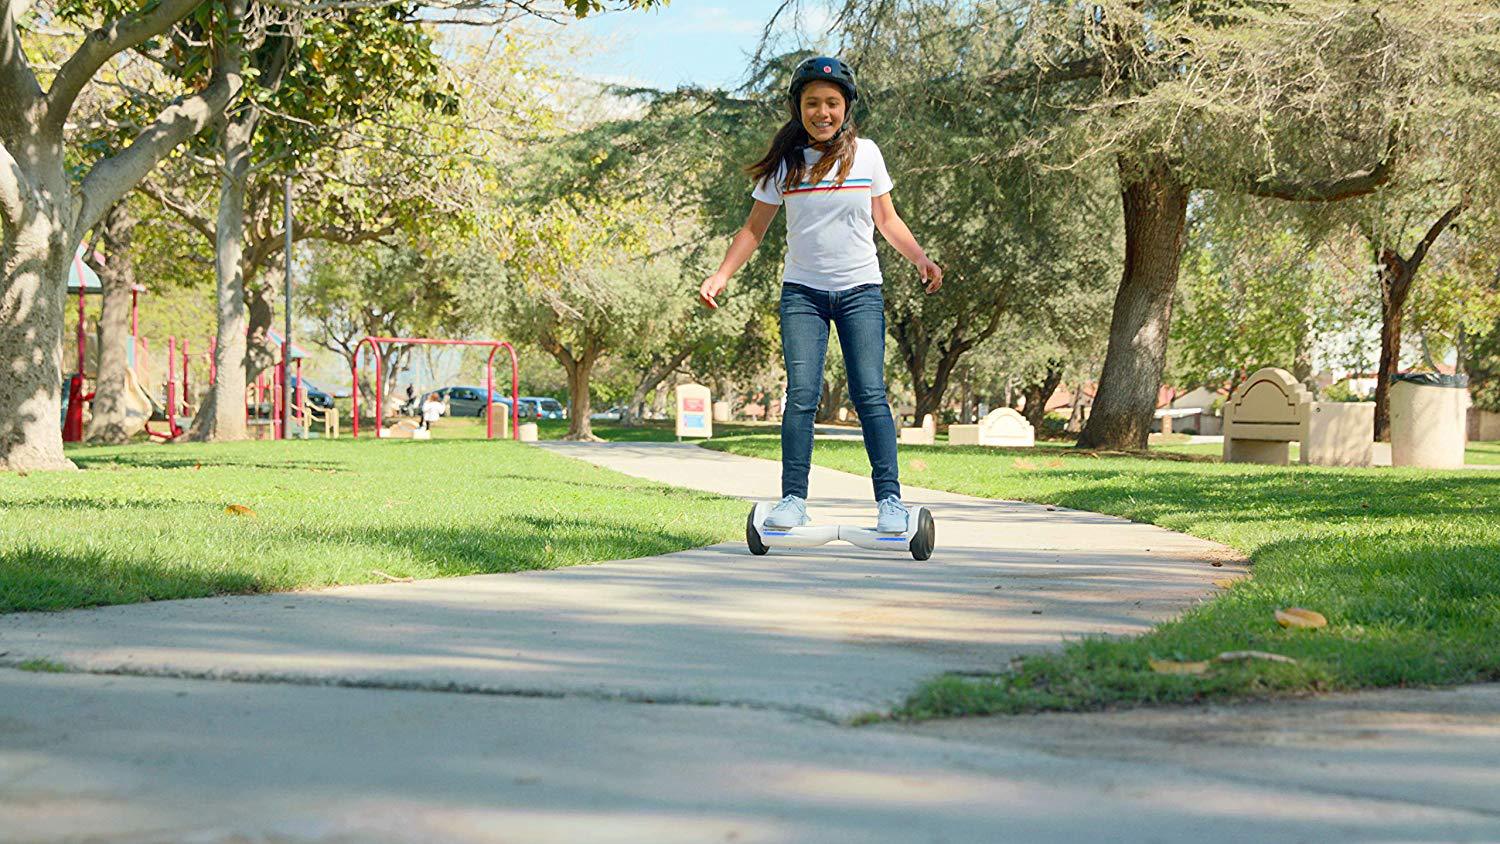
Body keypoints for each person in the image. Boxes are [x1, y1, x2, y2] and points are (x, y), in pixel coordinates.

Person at [698, 56, 942, 533]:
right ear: (799, 107)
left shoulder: (867, 155)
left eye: (832, 102)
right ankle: (792, 498)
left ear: (846, 106)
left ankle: (890, 502)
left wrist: (920, 258)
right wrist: (722, 274)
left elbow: (886, 220)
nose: (822, 112)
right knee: (801, 396)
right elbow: (753, 229)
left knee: (871, 394)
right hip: (802, 294)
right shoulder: (785, 164)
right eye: (812, 103)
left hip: (860, 291)